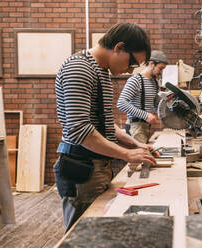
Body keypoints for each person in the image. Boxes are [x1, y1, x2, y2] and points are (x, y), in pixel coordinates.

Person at [53, 22, 158, 232]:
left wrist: (135, 144)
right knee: (82, 236)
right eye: (131, 63)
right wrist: (126, 155)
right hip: (81, 169)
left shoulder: (100, 71)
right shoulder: (79, 68)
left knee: (99, 232)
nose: (130, 71)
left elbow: (105, 125)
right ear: (118, 47)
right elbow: (80, 130)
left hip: (96, 167)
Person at [117, 50, 168, 144]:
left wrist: (167, 103)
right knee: (140, 156)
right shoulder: (135, 80)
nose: (161, 72)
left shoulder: (155, 82)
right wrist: (146, 115)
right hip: (135, 126)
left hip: (145, 126)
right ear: (151, 64)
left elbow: (157, 103)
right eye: (160, 68)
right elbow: (121, 103)